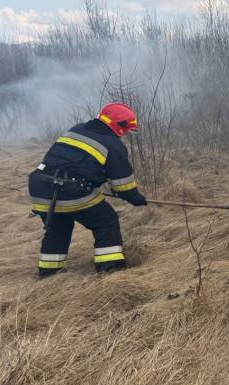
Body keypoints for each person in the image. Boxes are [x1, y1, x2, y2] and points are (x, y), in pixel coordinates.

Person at [28, 103, 148, 277]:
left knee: (58, 227)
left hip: (41, 188)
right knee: (106, 220)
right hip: (72, 191)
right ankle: (110, 268)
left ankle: (49, 273)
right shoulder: (113, 145)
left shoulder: (77, 129)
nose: (126, 134)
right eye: (127, 130)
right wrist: (136, 198)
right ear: (119, 126)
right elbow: (123, 186)